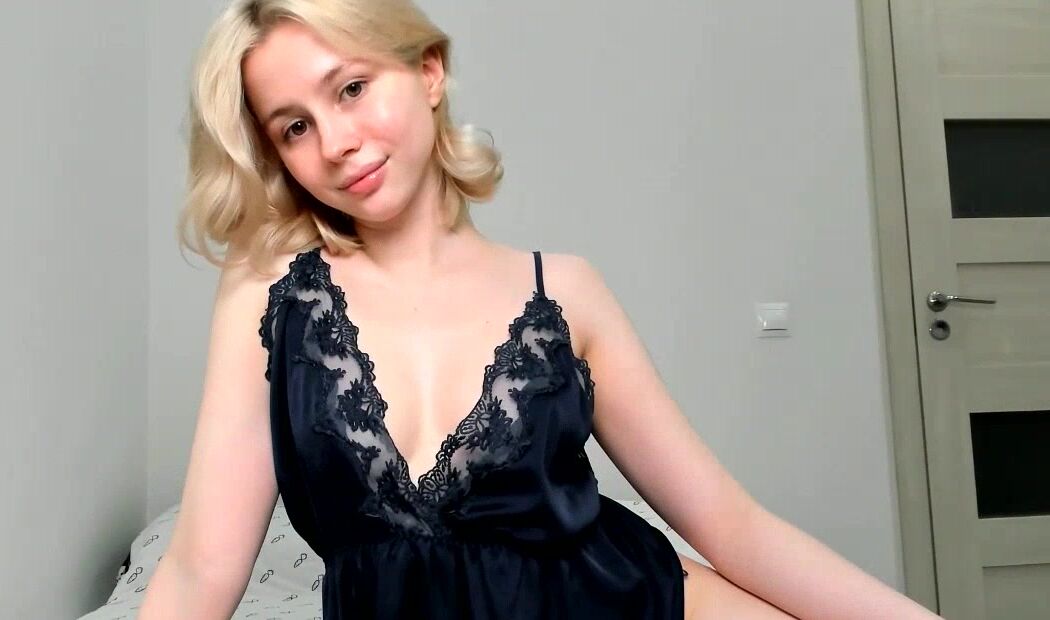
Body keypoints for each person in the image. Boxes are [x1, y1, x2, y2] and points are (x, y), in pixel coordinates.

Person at [140, 1, 945, 618]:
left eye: (352, 88)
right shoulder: (271, 294)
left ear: (428, 72)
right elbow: (200, 570)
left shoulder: (564, 293)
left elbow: (730, 524)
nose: (335, 142)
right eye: (295, 127)